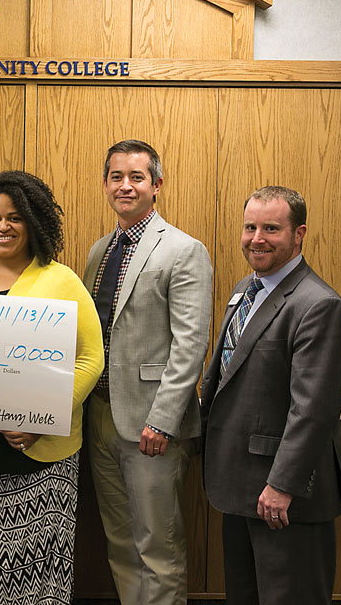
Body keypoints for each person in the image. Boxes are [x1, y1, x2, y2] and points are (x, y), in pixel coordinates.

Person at [0, 170, 103, 605]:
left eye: (14, 217)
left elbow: (90, 358)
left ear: (33, 222)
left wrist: (40, 420)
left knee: (38, 570)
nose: (3, 227)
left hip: (38, 451)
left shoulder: (61, 279)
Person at [200, 186, 341, 604]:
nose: (257, 238)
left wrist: (282, 485)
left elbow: (313, 410)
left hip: (283, 496)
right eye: (250, 227)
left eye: (271, 228)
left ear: (299, 233)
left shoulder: (319, 305)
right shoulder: (244, 291)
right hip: (239, 486)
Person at [83, 139, 212, 605]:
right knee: (120, 542)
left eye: (136, 177)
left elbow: (191, 344)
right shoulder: (100, 251)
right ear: (105, 184)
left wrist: (162, 419)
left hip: (150, 426)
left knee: (158, 544)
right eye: (116, 176)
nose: (125, 185)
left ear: (156, 185)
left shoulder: (183, 250)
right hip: (99, 417)